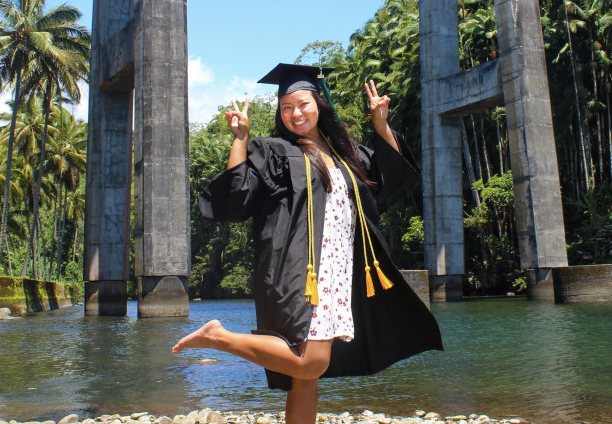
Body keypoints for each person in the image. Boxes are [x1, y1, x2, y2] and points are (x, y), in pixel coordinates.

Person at [172, 64, 442, 424]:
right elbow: (237, 197)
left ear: (319, 104)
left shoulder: (347, 153)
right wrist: (240, 139)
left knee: (307, 376)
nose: (295, 113)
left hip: (339, 271)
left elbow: (386, 177)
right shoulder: (275, 151)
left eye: (302, 104)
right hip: (296, 268)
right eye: (286, 107)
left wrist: (380, 125)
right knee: (311, 361)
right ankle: (219, 337)